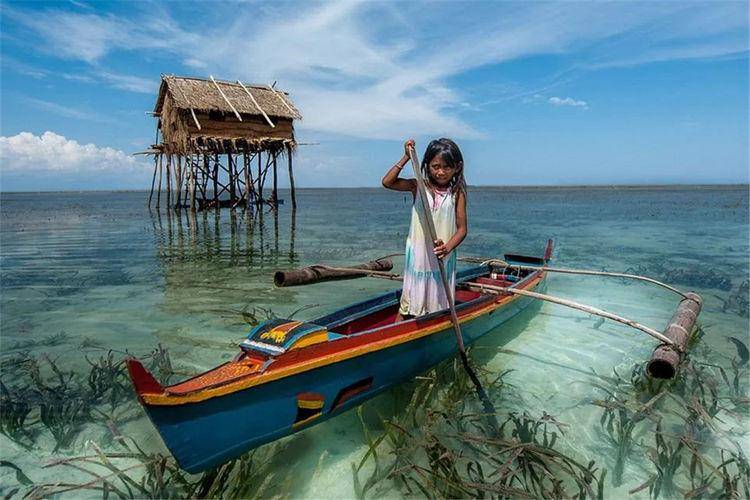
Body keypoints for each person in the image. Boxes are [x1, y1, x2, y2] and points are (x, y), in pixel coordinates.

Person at [381, 138, 468, 322]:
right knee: (408, 301)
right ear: (427, 165)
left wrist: (448, 247)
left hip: (442, 256)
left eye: (447, 167)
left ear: (457, 167)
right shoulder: (418, 186)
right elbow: (388, 182)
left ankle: (435, 327)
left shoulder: (457, 192)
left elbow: (462, 230)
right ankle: (396, 335)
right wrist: (406, 157)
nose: (441, 172)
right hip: (419, 255)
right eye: (435, 166)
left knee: (439, 300)